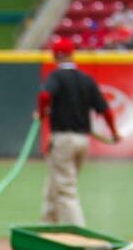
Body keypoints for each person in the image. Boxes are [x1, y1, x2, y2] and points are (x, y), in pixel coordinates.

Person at [37, 37, 120, 226]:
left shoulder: (56, 76)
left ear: (55, 55)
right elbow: (104, 109)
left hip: (64, 139)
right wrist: (114, 132)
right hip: (83, 141)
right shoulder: (86, 79)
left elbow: (44, 95)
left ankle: (78, 233)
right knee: (53, 185)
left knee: (66, 190)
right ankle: (46, 227)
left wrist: (41, 114)